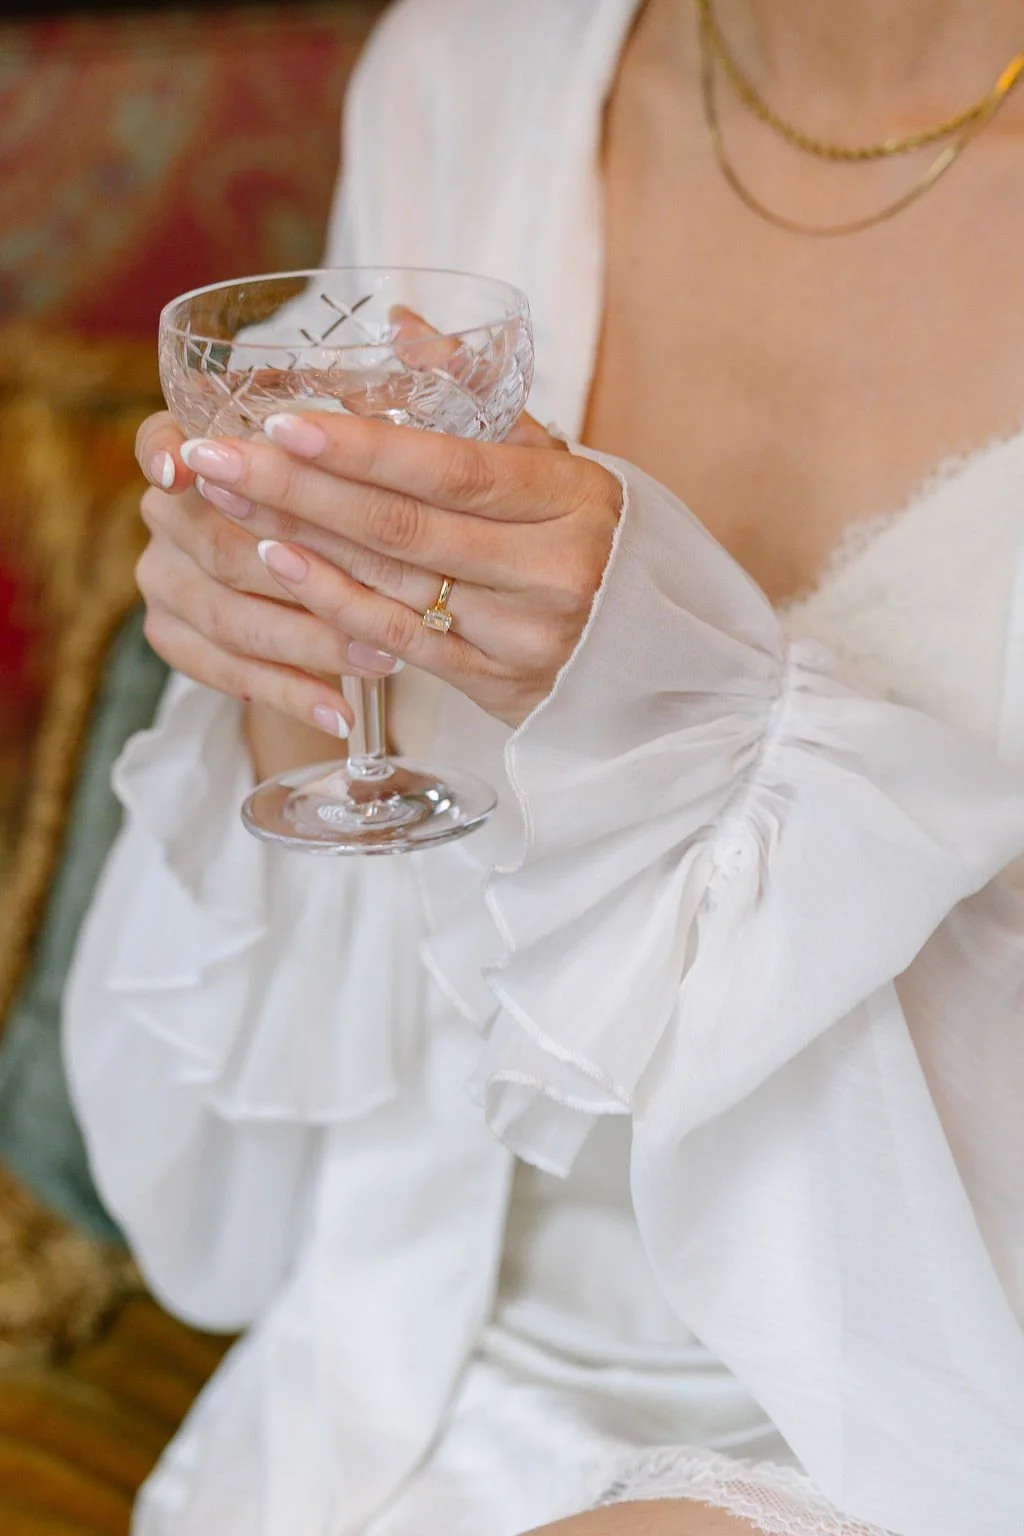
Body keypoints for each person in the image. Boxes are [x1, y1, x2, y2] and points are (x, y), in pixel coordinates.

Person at [63, 1, 1024, 1532]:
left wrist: (683, 690)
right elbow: (229, 1208)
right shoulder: (467, 75)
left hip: (937, 1423)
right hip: (388, 1399)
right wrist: (285, 641)